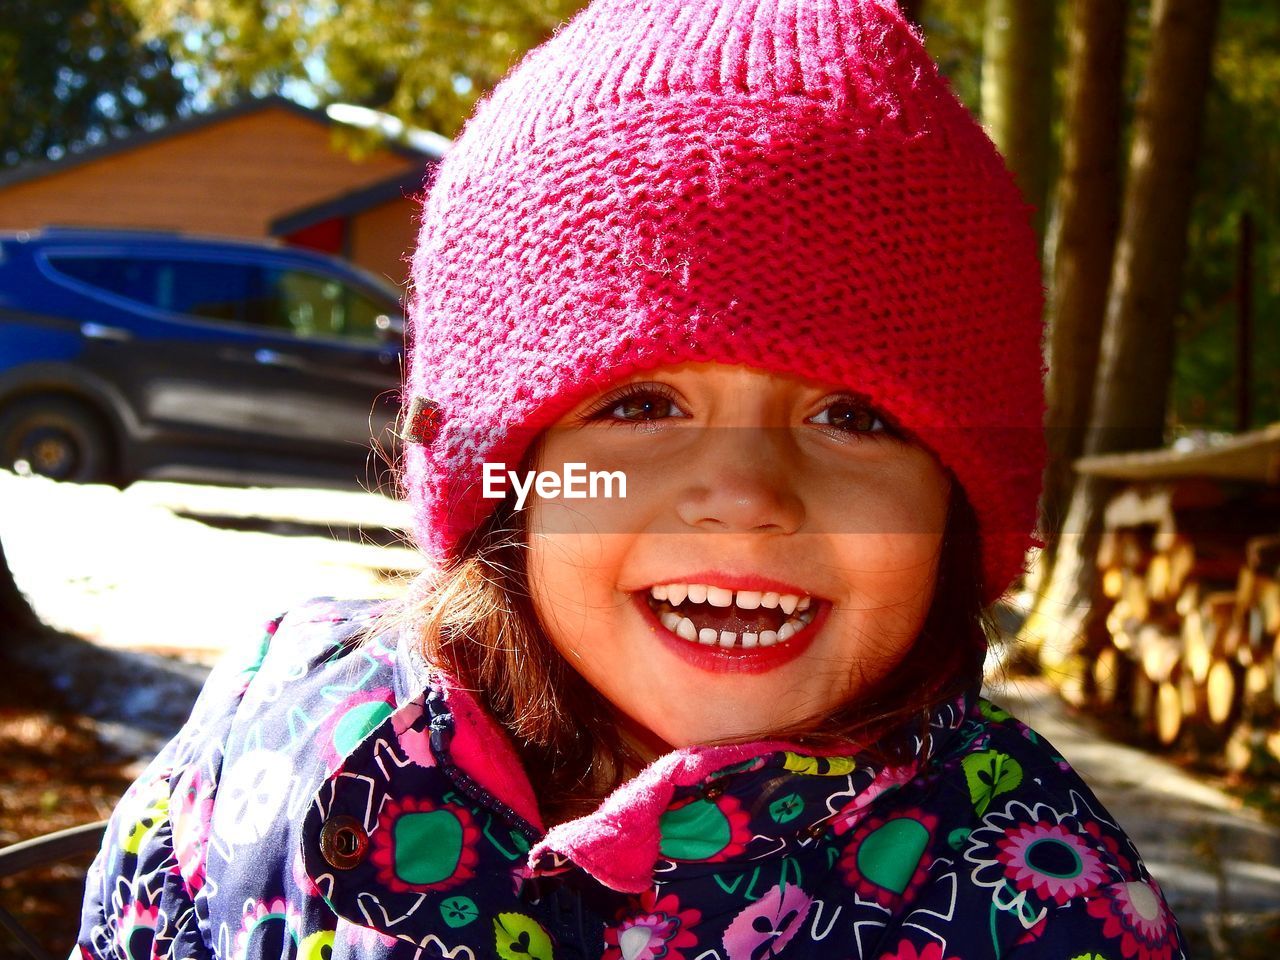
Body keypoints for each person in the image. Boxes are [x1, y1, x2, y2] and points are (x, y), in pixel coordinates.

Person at [77, 0, 1189, 957]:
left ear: (958, 496)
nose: (746, 494)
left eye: (852, 417)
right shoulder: (286, 742)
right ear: (501, 477)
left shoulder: (1036, 889)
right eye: (639, 405)